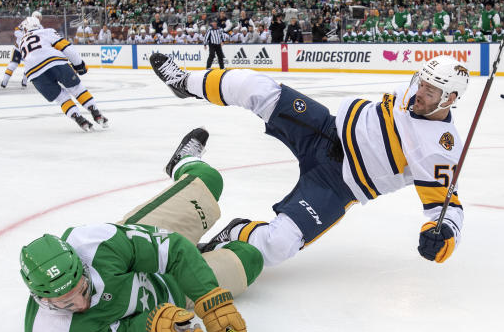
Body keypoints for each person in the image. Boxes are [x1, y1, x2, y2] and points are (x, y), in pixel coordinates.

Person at [149, 52, 468, 268]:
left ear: (451, 98)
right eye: (421, 82)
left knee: (279, 245)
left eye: (431, 90)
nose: (419, 92)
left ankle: (234, 233)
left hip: (339, 184)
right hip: (325, 130)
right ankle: (184, 84)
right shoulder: (416, 90)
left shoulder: (438, 148)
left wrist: (444, 238)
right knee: (254, 87)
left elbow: (446, 206)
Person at [20, 128, 264, 332]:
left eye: (83, 289)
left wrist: (211, 301)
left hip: (152, 242)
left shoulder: (98, 244)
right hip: (174, 294)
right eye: (65, 303)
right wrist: (154, 329)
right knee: (250, 257)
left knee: (209, 180)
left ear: (82, 265)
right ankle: (214, 247)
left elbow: (173, 249)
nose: (82, 304)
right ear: (44, 301)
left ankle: (182, 162)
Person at [2, 16, 108, 131]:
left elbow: (30, 60)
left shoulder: (22, 41)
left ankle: (79, 119)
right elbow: (67, 48)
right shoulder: (47, 31)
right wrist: (79, 64)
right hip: (54, 62)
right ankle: (95, 112)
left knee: (61, 98)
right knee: (76, 88)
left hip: (33, 74)